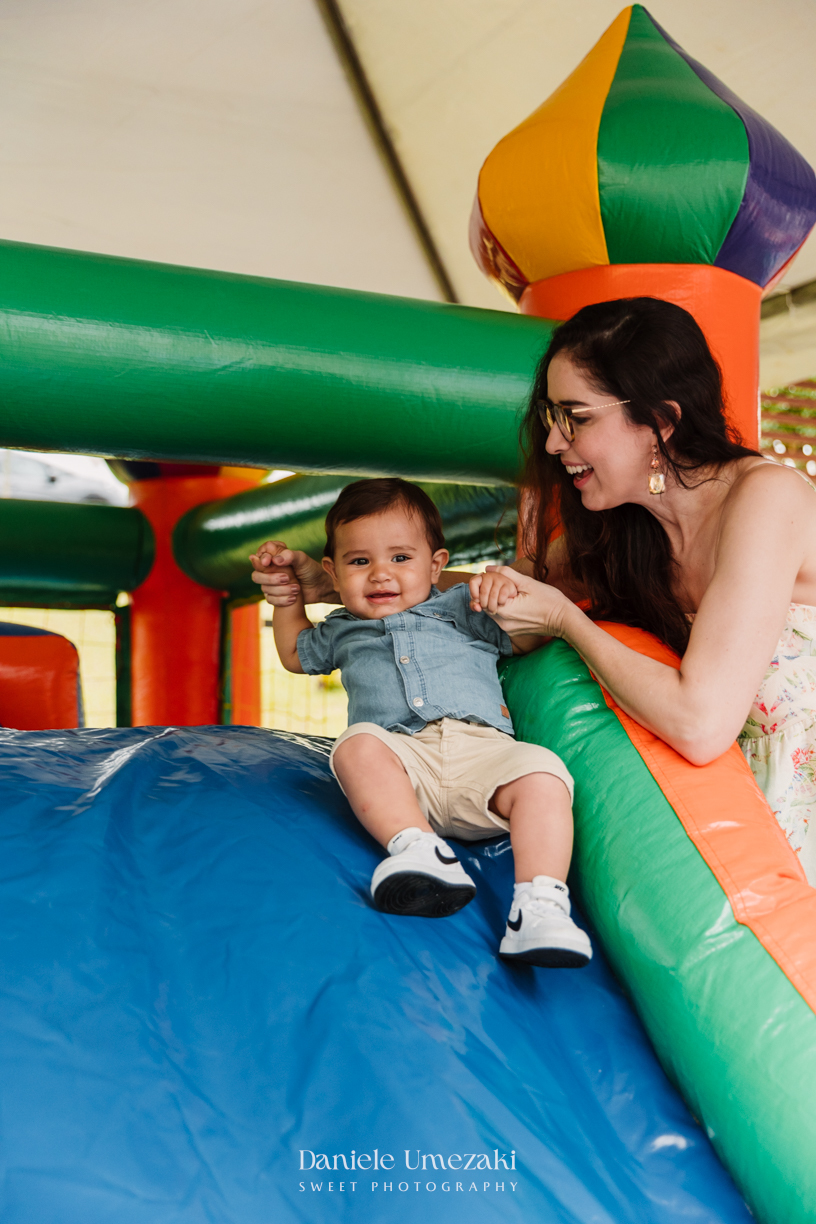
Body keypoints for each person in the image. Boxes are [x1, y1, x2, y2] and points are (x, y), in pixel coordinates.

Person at [253, 298, 816, 886]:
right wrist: (338, 583)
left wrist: (569, 622)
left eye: (577, 417)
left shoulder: (764, 501)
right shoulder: (626, 530)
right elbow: (508, 594)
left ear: (660, 422)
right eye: (552, 415)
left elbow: (700, 723)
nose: (552, 442)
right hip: (749, 803)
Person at [252, 477, 592, 968]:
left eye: (400, 558)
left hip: (484, 757)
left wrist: (507, 591)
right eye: (359, 561)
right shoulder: (343, 628)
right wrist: (288, 601)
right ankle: (417, 847)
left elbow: (530, 637)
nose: (380, 575)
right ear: (332, 570)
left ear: (437, 565)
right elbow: (294, 653)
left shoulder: (464, 606)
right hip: (404, 768)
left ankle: (540, 906)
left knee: (542, 771)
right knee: (354, 745)